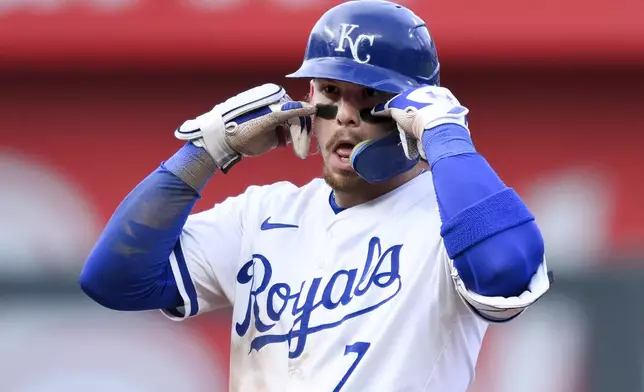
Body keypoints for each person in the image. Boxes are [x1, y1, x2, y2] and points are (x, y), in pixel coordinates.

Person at [79, 1, 552, 391]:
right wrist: (204, 152)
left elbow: (504, 270)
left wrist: (446, 139)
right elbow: (114, 280)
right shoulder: (262, 213)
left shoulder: (452, 218)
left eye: (369, 97)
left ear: (413, 110)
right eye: (329, 91)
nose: (345, 115)